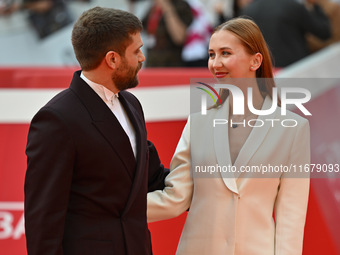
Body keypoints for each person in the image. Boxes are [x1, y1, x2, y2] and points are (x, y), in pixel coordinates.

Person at [147, 17, 310, 255]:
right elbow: (177, 197)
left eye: (225, 53)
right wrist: (111, 211)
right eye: (212, 54)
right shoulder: (198, 122)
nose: (215, 63)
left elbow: (291, 217)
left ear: (256, 61)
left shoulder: (293, 129)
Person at [24, 7, 168, 255]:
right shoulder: (57, 119)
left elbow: (153, 179)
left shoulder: (132, 105)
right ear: (113, 59)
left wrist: (217, 180)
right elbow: (43, 223)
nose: (142, 57)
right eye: (136, 51)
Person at [241, 0, 331, 67]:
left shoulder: (248, 10)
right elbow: (324, 32)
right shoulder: (292, 6)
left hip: (266, 72)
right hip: (296, 68)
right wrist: (316, 6)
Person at [142, 0, 193, 67]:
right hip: (151, 64)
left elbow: (179, 38)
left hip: (171, 65)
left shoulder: (180, 5)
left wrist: (166, 6)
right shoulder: (151, 6)